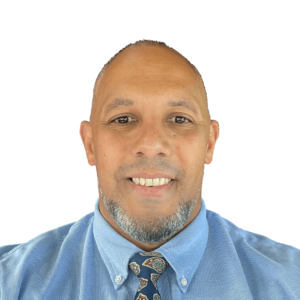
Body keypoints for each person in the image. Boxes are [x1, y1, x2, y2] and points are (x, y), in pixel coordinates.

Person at [0, 39, 299, 300]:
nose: (152, 143)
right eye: (123, 119)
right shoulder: (9, 284)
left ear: (210, 143)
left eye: (179, 119)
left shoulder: (291, 281)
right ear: (90, 145)